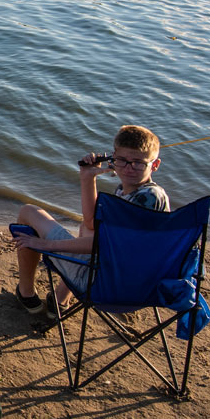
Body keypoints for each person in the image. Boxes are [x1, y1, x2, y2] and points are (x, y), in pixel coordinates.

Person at [11, 124, 170, 319]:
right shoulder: (139, 192)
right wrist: (87, 178)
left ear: (154, 165)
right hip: (137, 284)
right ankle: (59, 302)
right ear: (112, 159)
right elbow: (92, 224)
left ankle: (26, 293)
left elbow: (105, 243)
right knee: (89, 227)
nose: (129, 168)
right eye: (122, 160)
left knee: (28, 212)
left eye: (138, 162)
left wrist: (46, 244)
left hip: (105, 285)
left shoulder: (148, 198)